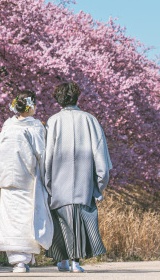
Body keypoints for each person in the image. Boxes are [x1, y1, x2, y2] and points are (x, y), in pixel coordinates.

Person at [0, 90, 54, 273]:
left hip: (6, 178)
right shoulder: (35, 126)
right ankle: (24, 258)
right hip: (27, 179)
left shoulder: (8, 125)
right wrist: (47, 177)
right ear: (30, 107)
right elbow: (42, 154)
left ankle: (16, 259)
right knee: (27, 217)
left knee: (9, 217)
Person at [44, 81, 112, 273]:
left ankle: (63, 260)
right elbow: (100, 157)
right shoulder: (90, 120)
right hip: (84, 184)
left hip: (58, 182)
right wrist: (99, 185)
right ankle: (75, 262)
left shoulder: (53, 121)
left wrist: (47, 182)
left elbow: (47, 155)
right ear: (76, 97)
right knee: (81, 220)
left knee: (61, 221)